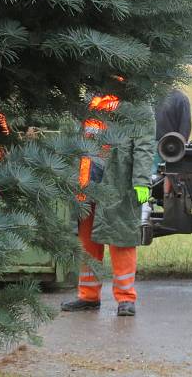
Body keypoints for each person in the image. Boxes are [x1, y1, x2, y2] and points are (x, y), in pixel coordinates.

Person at [61, 94, 155, 316]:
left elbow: (144, 144)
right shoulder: (93, 97)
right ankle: (88, 295)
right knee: (87, 241)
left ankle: (126, 298)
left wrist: (141, 180)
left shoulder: (137, 99)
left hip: (118, 182)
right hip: (86, 179)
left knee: (120, 238)